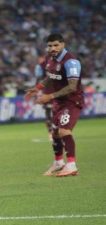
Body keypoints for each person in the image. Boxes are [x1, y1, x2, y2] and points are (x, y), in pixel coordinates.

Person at [25, 34, 84, 177]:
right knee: (55, 133)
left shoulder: (71, 62)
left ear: (63, 44)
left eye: (56, 45)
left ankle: (71, 165)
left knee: (64, 131)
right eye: (50, 46)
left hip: (71, 101)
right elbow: (50, 77)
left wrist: (49, 96)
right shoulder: (49, 59)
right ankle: (58, 163)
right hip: (58, 102)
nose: (53, 48)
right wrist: (37, 88)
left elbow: (72, 87)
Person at [34, 56, 53, 141]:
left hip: (50, 90)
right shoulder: (55, 64)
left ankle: (52, 133)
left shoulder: (40, 66)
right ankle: (51, 133)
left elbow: (38, 79)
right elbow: (38, 79)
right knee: (50, 112)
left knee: (49, 112)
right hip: (49, 90)